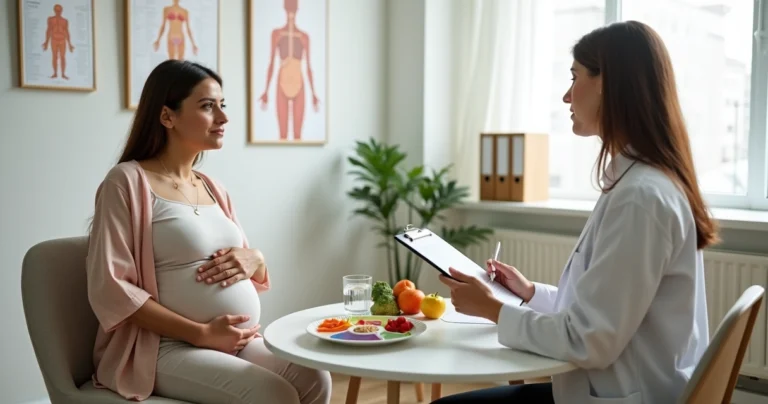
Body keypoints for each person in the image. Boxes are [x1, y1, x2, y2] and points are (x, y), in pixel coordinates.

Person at [435, 20, 718, 404]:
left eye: (575, 77)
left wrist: (494, 309)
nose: (567, 96)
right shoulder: (640, 183)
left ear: (607, 84)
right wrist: (530, 293)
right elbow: (602, 312)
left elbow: (590, 341)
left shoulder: (640, 198)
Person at [86, 59, 331, 404]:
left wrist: (257, 259)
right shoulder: (126, 182)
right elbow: (112, 288)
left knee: (314, 376)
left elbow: (246, 267)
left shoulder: (213, 187)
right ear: (167, 116)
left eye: (222, 105)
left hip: (235, 341)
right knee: (273, 394)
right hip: (164, 347)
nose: (223, 117)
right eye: (207, 106)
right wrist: (200, 333)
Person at [257, 0, 320, 141]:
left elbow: (308, 66)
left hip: (299, 82)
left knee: (298, 136)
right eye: (289, 9)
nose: (291, 13)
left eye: (293, 9)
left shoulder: (304, 37)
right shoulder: (277, 34)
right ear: (285, 10)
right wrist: (266, 90)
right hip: (282, 82)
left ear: (297, 10)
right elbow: (271, 63)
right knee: (283, 135)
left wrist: (313, 93)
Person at [42, 4, 74, 79]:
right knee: (54, 56)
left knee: (62, 57)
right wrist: (46, 42)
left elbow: (66, 32)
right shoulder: (50, 19)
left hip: (62, 40)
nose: (58, 12)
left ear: (61, 11)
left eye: (59, 10)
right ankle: (55, 73)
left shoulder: (65, 21)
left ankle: (63, 74)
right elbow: (48, 30)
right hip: (54, 40)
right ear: (54, 10)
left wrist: (69, 44)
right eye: (57, 10)